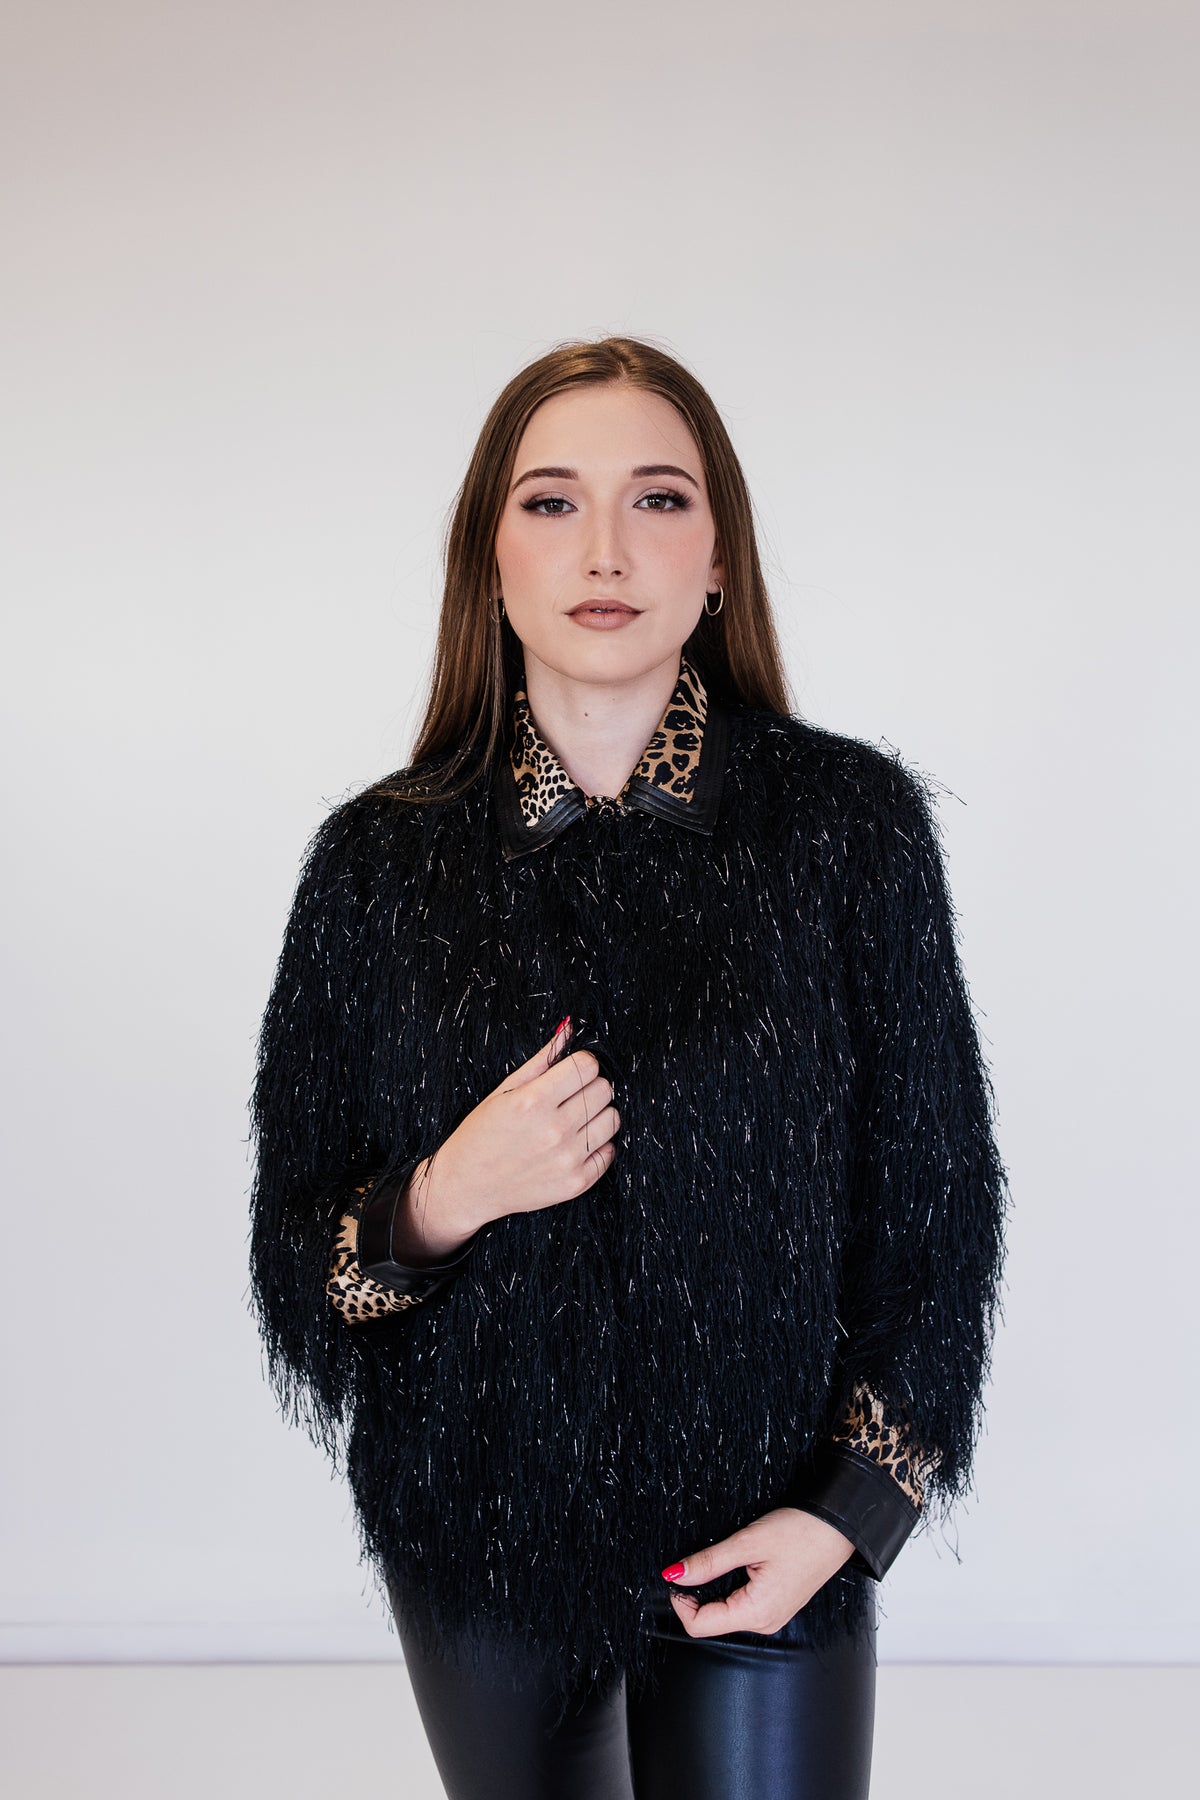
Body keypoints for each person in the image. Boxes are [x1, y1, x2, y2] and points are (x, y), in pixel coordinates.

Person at [247, 335, 1008, 1799]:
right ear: (488, 560)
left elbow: (937, 1209)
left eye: (658, 499)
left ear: (719, 560)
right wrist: (445, 1195)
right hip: (479, 1550)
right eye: (552, 503)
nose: (606, 549)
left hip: (772, 1537)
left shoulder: (849, 830)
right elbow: (300, 1271)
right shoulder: (374, 865)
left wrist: (848, 1514)